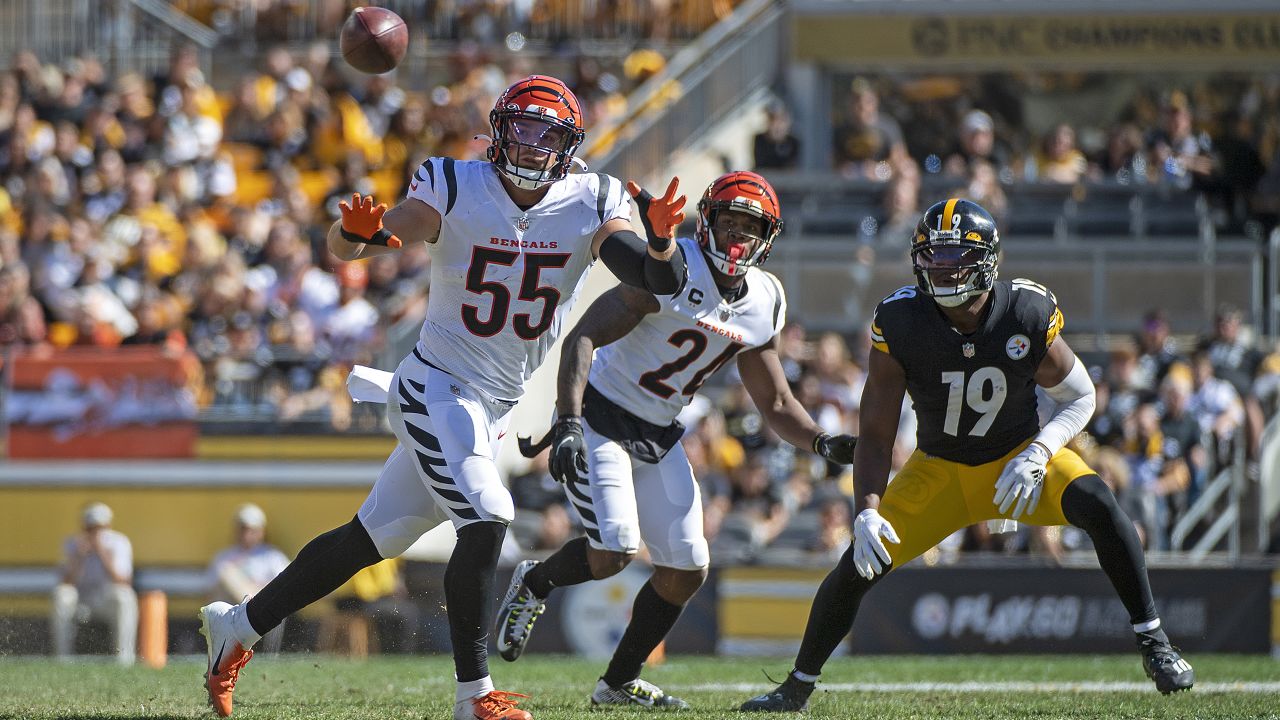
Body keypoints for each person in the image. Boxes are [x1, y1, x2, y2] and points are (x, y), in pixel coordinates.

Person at [197, 75, 689, 720]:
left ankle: (238, 626)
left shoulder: (593, 198)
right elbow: (381, 233)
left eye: (548, 134)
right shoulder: (455, 183)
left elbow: (658, 279)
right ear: (497, 129)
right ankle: (474, 698)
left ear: (569, 145)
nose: (533, 145)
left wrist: (661, 242)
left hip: (492, 407)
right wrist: (357, 235)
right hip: (437, 385)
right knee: (488, 515)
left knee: (369, 539)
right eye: (522, 128)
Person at [738, 198, 1195, 713]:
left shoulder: (1024, 311)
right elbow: (876, 430)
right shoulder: (901, 319)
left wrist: (1041, 451)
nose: (943, 269)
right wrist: (866, 508)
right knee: (857, 566)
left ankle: (1155, 643)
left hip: (1016, 459)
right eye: (933, 258)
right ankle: (795, 687)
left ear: (987, 261)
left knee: (1099, 502)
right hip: (939, 470)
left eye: (956, 259)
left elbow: (1082, 394)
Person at [493, 171, 857, 708]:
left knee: (687, 568)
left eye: (749, 227)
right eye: (729, 222)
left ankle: (616, 684)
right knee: (614, 549)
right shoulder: (672, 268)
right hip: (602, 416)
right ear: (706, 221)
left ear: (768, 237)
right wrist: (567, 422)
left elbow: (776, 402)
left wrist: (822, 442)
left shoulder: (764, 300)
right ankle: (536, 582)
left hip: (659, 433)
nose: (737, 237)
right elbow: (584, 336)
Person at [50, 502, 137, 665]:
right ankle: (62, 659)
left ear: (108, 525)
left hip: (105, 600)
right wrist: (79, 555)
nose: (95, 533)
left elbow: (124, 581)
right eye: (91, 528)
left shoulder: (119, 542)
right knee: (61, 595)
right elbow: (65, 582)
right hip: (81, 601)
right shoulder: (72, 544)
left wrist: (102, 552)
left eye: (99, 528)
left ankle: (125, 660)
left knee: (125, 597)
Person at [205, 504, 290, 652]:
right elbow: (211, 589)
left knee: (227, 573)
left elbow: (286, 585)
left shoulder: (272, 556)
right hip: (234, 609)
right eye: (243, 529)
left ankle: (247, 612)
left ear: (261, 532)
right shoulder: (225, 556)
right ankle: (246, 612)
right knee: (226, 574)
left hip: (264, 603)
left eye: (252, 529)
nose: (247, 534)